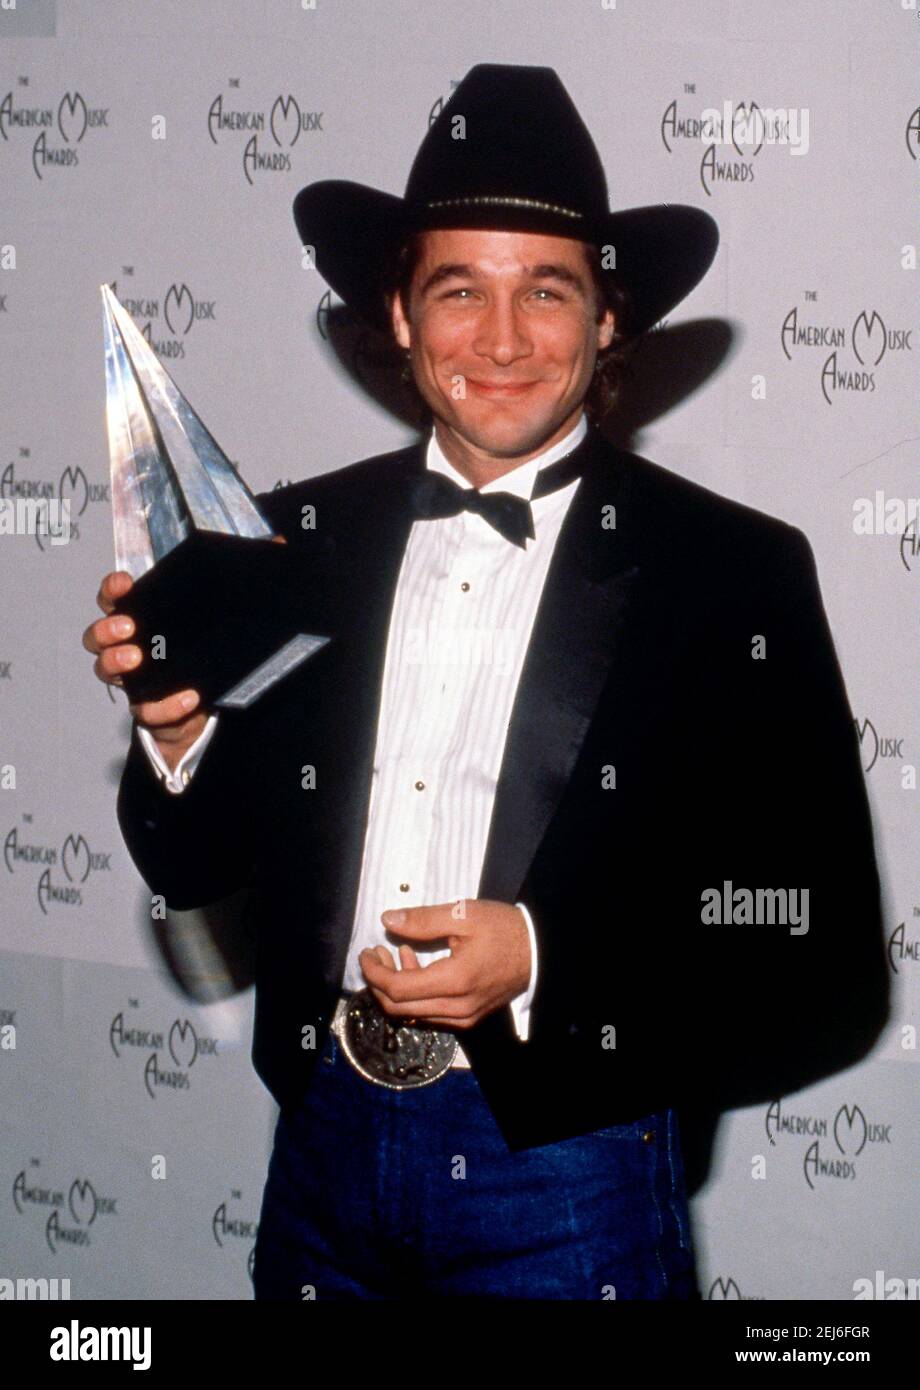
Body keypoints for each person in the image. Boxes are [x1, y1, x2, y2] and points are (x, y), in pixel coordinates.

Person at [83, 64, 888, 1300]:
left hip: (572, 1166)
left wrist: (540, 955)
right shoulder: (286, 543)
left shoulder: (732, 575)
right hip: (319, 1141)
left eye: (546, 292)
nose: (502, 341)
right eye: (458, 289)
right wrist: (171, 735)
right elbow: (194, 867)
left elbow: (819, 959)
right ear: (398, 316)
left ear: (608, 319)